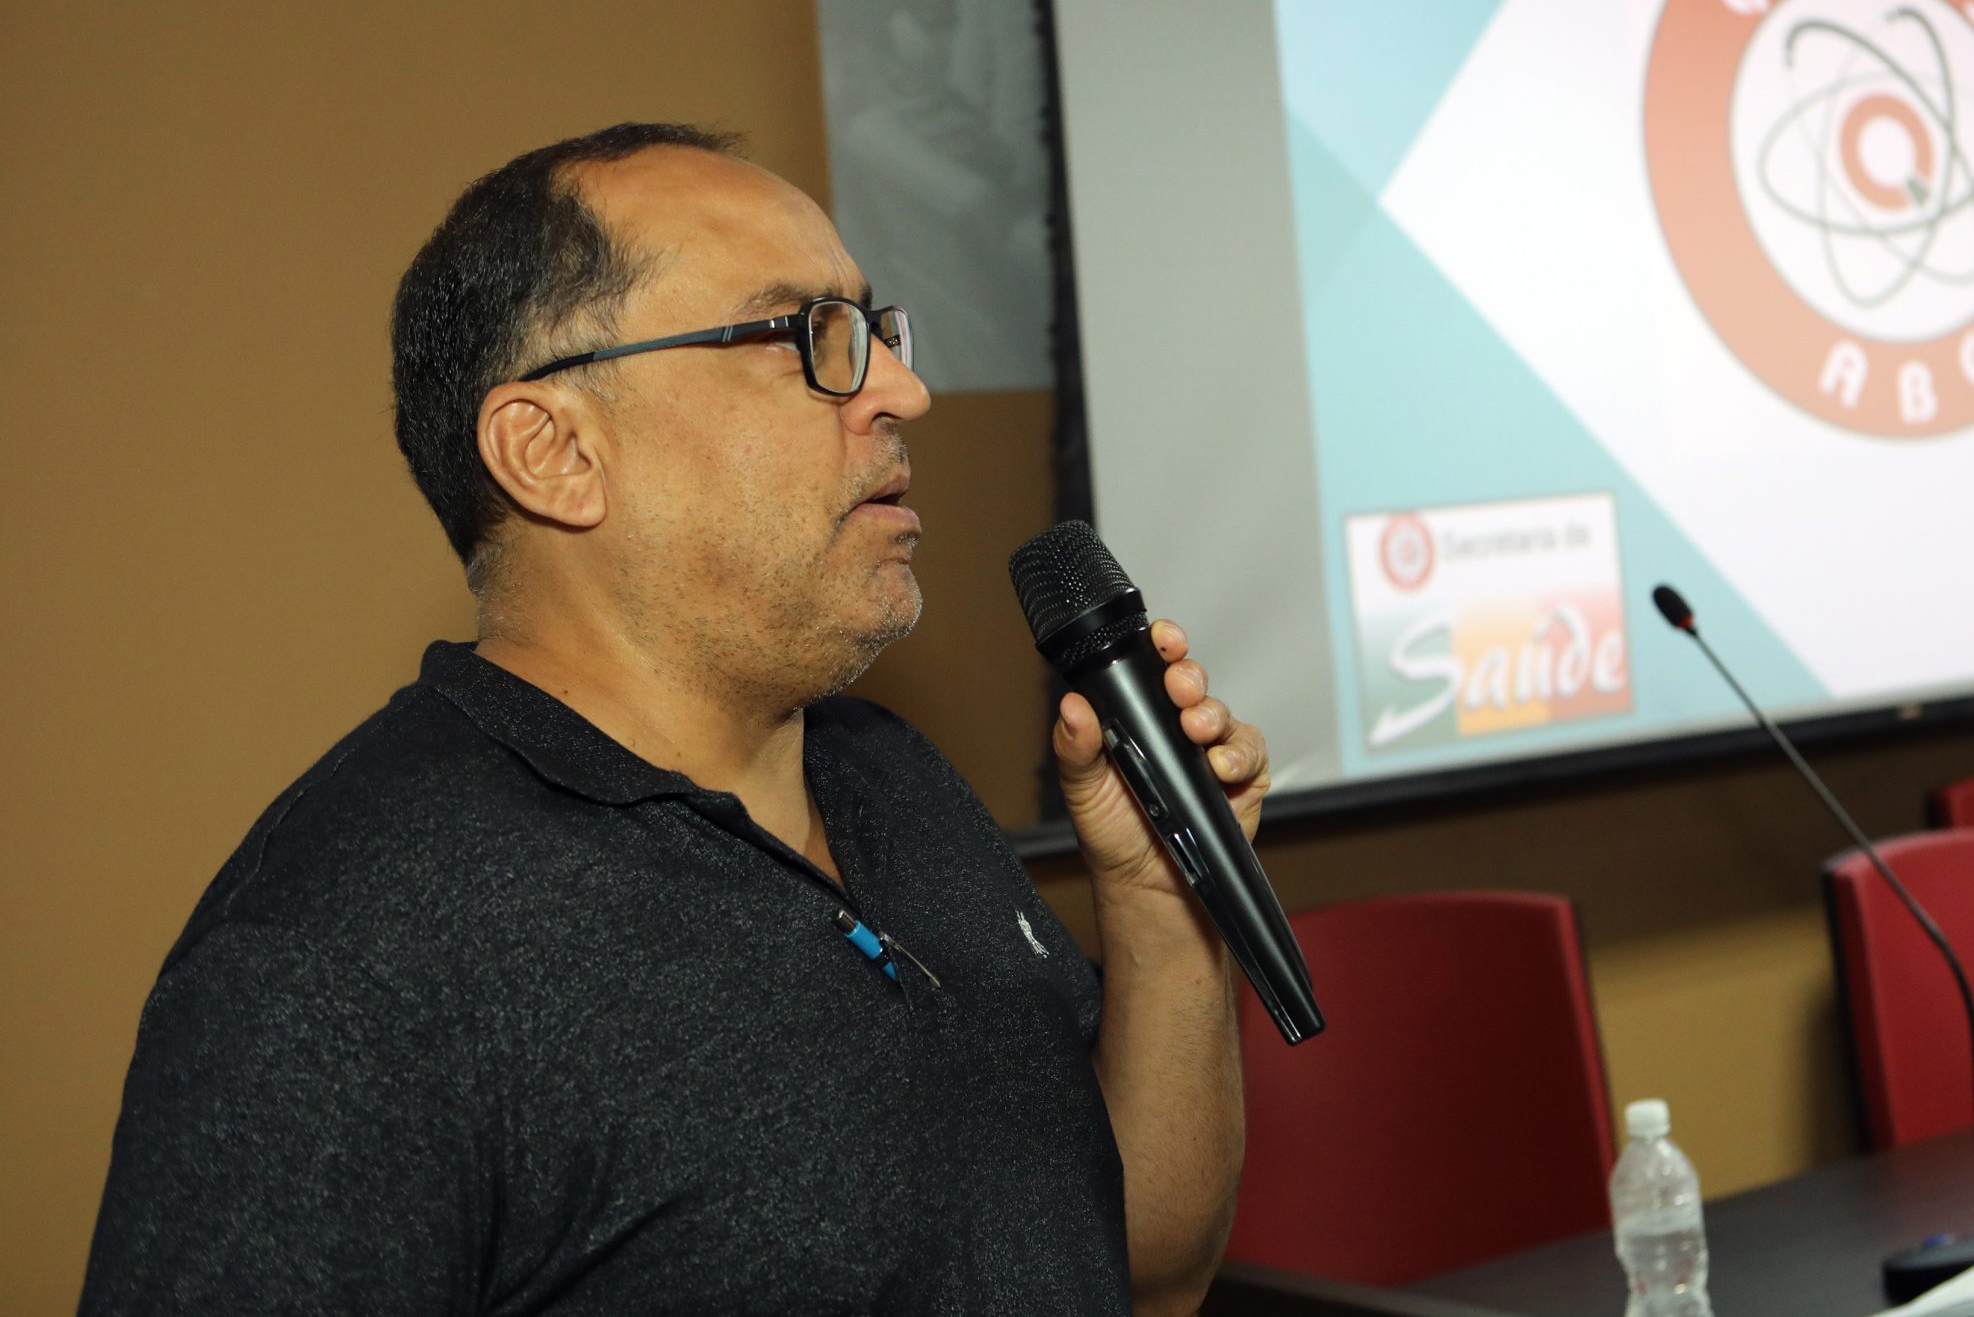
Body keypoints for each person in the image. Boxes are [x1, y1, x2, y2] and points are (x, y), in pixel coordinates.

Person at [80, 123, 1265, 1315]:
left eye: (874, 331)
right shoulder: (338, 960)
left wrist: (1161, 906)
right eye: (807, 337)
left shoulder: (889, 773)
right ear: (552, 453)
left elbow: (1146, 1269)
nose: (903, 391)